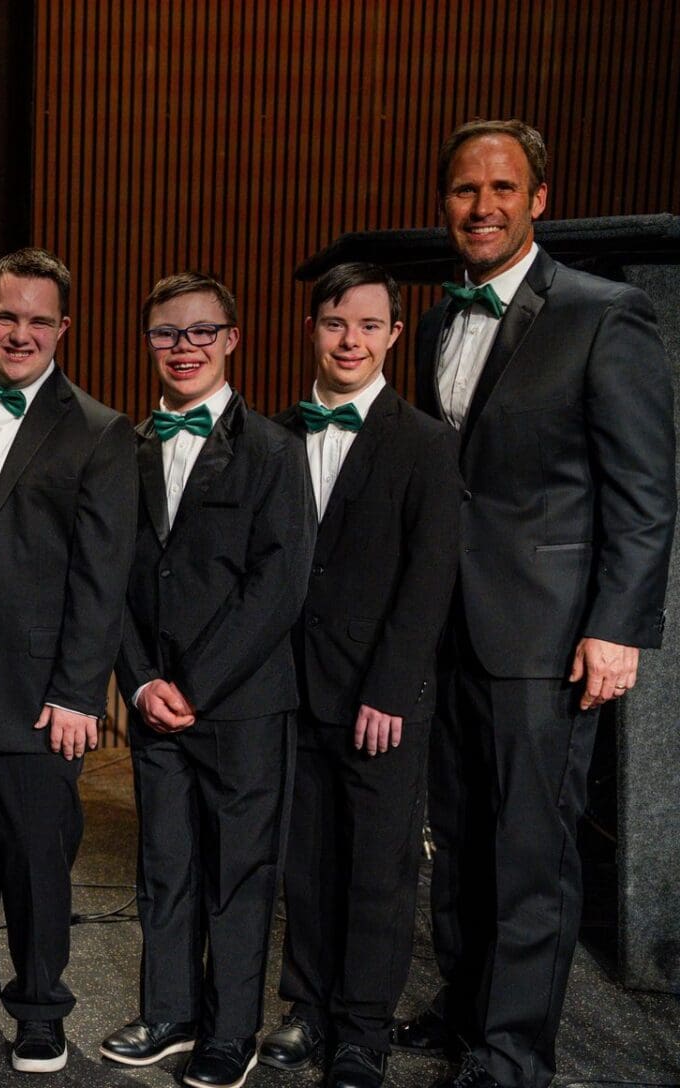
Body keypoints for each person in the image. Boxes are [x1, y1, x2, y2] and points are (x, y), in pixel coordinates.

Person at [397, 119, 675, 1088]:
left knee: (529, 849)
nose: (482, 207)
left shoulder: (605, 313)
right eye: (465, 190)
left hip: (550, 633)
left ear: (539, 199)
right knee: (461, 837)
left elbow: (645, 491)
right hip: (451, 625)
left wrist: (617, 626)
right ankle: (465, 1007)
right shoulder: (434, 322)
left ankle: (513, 1053)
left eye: (503, 188)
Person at [0, 247, 135, 1075]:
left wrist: (80, 691)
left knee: (40, 859)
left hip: (43, 694)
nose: (22, 333)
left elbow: (102, 577)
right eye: (7, 316)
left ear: (63, 328)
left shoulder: (99, 431)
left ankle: (41, 1005)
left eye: (40, 321)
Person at [101, 272, 312, 1088]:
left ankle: (230, 1032)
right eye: (166, 333)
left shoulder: (275, 449)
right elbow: (111, 581)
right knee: (165, 864)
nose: (182, 347)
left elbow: (278, 584)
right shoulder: (125, 447)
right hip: (155, 701)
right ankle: (170, 1013)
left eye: (200, 332)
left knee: (238, 875)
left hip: (242, 703)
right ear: (148, 343)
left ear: (232, 340)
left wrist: (195, 684)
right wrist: (142, 682)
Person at [258, 264, 460, 1088]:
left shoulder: (427, 442)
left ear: (395, 335)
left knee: (377, 868)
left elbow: (429, 578)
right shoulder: (273, 434)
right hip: (288, 687)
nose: (351, 341)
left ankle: (363, 1030)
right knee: (304, 860)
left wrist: (390, 688)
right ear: (312, 328)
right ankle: (308, 1007)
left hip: (380, 695)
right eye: (336, 323)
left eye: (370, 326)